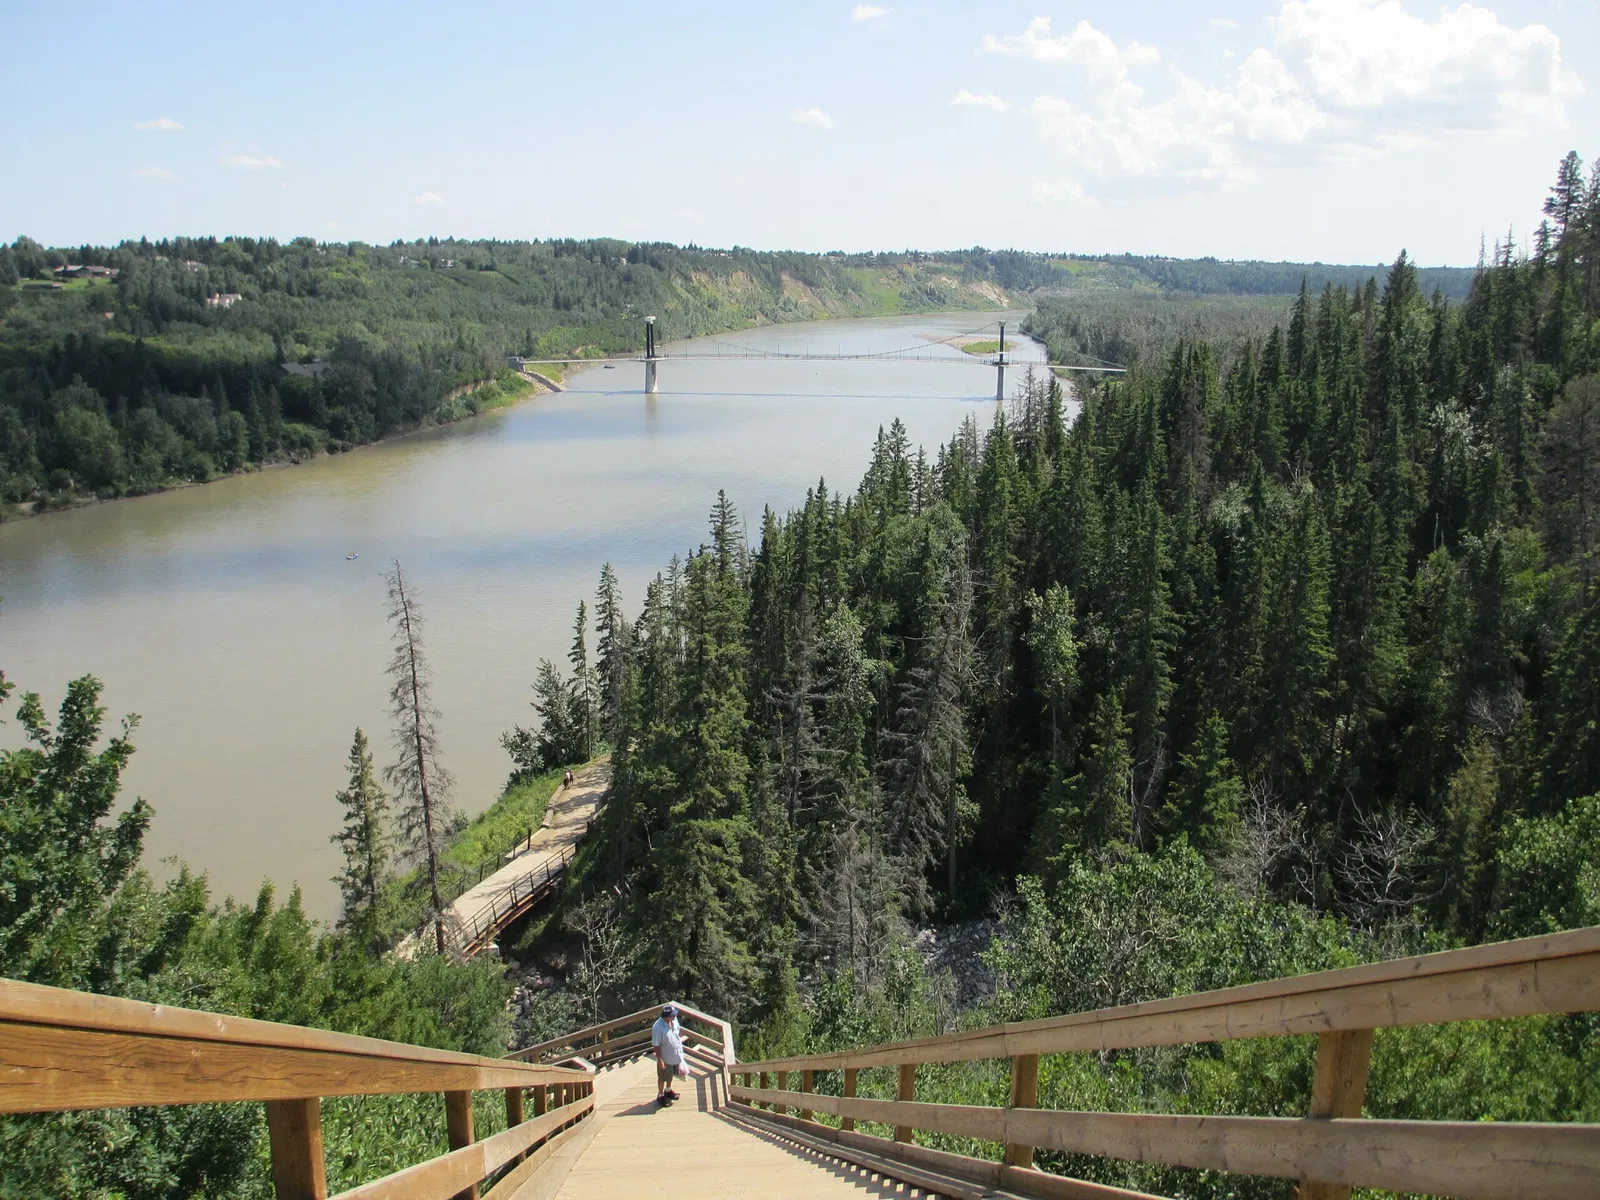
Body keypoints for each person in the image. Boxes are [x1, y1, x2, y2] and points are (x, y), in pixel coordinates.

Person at [651, 1003, 688, 1103]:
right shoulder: (657, 1027)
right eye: (673, 1015)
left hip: (675, 1055)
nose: (675, 1016)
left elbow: (677, 1032)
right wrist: (660, 1060)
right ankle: (660, 1094)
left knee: (670, 1075)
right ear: (666, 1016)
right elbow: (656, 1045)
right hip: (665, 1057)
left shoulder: (674, 1021)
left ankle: (668, 1090)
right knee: (662, 1077)